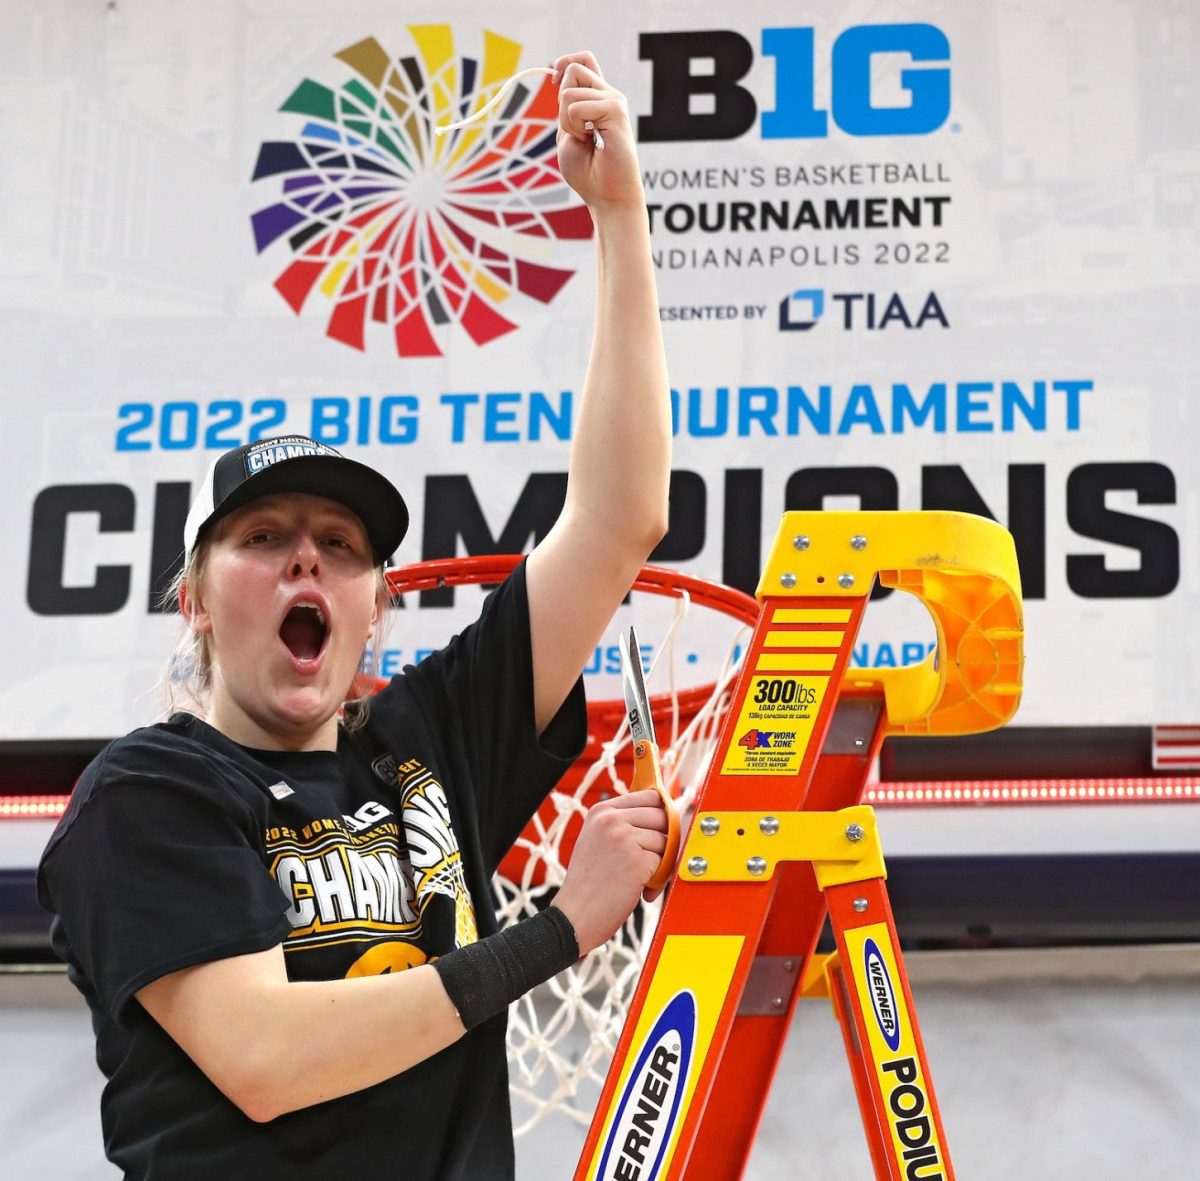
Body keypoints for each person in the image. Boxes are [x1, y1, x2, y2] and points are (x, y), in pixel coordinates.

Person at [36, 51, 672, 1179]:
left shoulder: (429, 739)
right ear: (193, 598)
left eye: (340, 547)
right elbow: (266, 1056)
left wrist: (620, 217)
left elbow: (620, 517)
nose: (306, 565)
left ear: (375, 604)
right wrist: (558, 927)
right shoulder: (146, 794)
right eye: (264, 538)